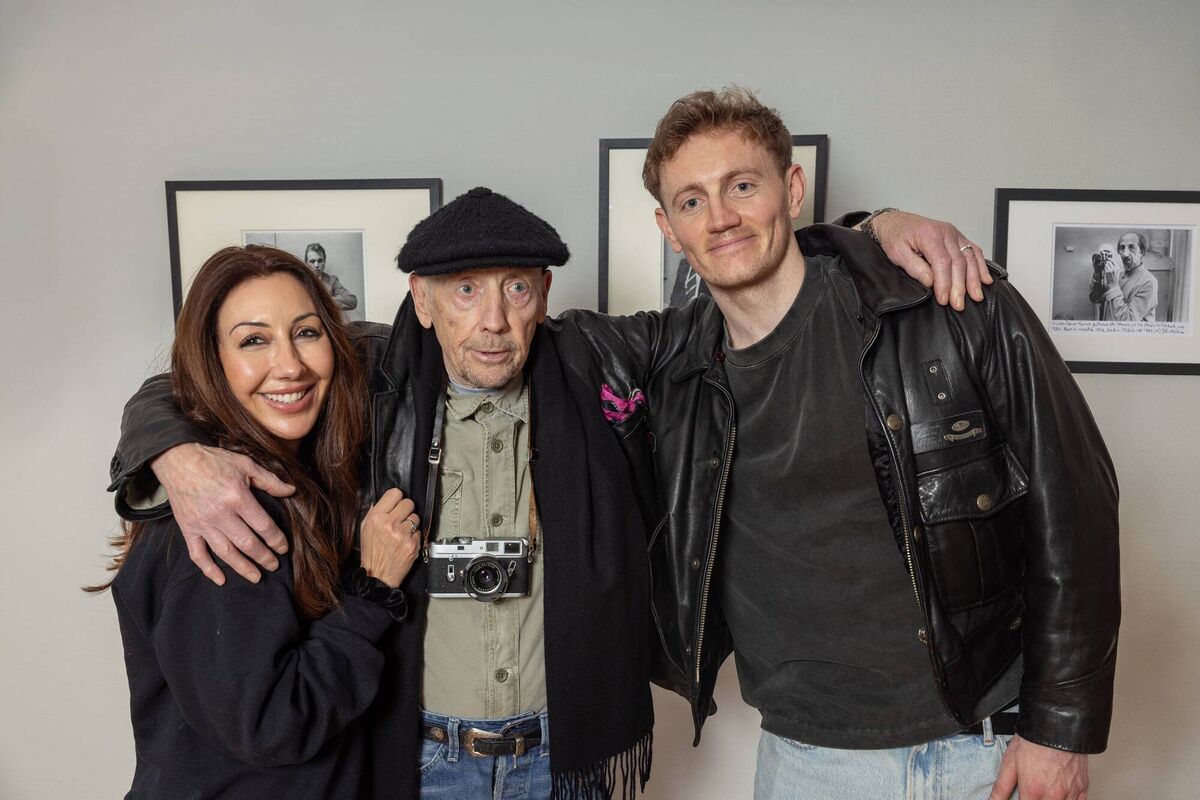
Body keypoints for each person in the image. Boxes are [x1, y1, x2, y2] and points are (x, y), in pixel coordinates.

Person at [107, 190, 986, 798]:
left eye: (516, 289)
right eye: (464, 292)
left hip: (562, 759)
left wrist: (870, 228)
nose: (492, 320)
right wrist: (176, 455)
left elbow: (753, 292)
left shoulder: (600, 359)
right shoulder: (364, 384)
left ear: (544, 294)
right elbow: (197, 384)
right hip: (413, 760)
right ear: (420, 299)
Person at [559, 88, 1115, 800]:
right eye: (692, 201)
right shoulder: (676, 367)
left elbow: (1077, 508)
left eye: (742, 185)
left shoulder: (942, 304)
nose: (721, 216)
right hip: (807, 763)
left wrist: (1060, 730)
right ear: (670, 229)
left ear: (791, 189)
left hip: (984, 749)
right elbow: (519, 347)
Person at [88, 245, 421, 799]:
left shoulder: (287, 475)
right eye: (253, 340)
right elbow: (271, 725)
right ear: (210, 361)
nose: (289, 365)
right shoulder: (224, 514)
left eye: (307, 333)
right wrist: (372, 590)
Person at [1089, 231, 1158, 321]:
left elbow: (1127, 322)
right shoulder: (1117, 275)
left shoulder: (1149, 282)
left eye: (1131, 247)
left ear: (1141, 252)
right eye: (1122, 248)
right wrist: (1098, 275)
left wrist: (1114, 286)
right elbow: (1095, 298)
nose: (1125, 254)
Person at [306, 241, 359, 311]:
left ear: (324, 261)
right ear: (306, 263)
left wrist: (326, 301)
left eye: (320, 261)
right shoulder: (300, 280)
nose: (316, 265)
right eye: (312, 261)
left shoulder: (332, 281)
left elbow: (352, 301)